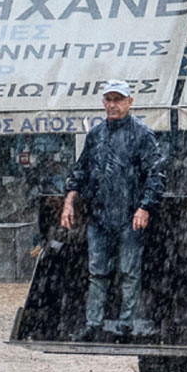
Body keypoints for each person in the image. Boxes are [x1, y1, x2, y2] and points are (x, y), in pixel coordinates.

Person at [59, 80, 165, 340]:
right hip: (99, 216)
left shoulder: (142, 134)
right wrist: (68, 202)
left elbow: (156, 174)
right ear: (103, 102)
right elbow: (80, 171)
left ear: (130, 102)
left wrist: (144, 207)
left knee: (130, 272)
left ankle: (125, 326)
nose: (113, 104)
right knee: (97, 272)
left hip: (130, 217)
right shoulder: (95, 135)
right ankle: (93, 324)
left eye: (118, 99)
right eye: (109, 99)